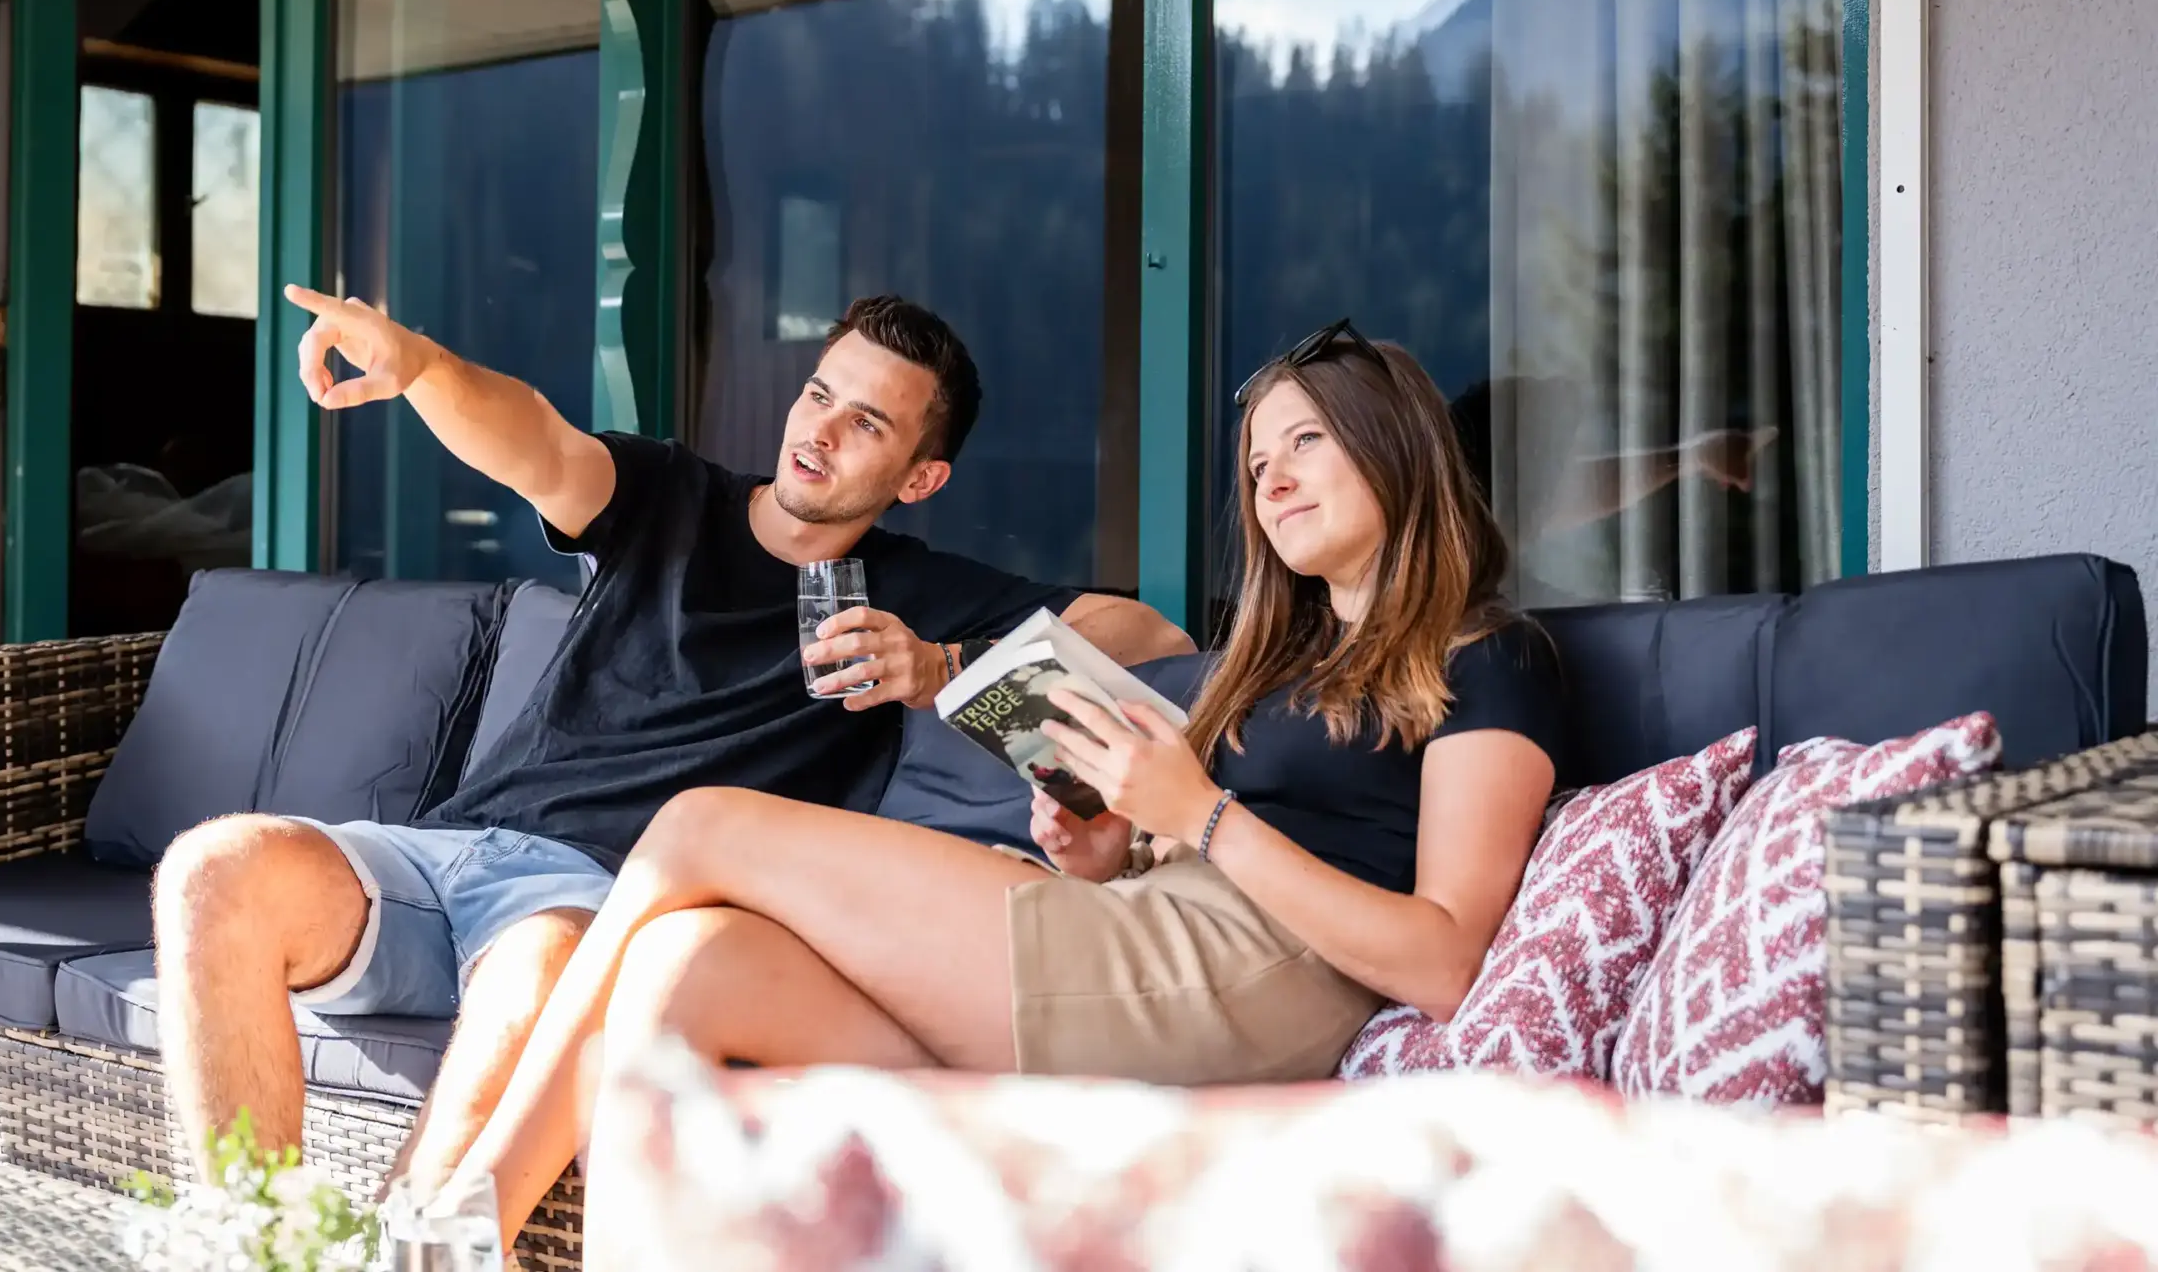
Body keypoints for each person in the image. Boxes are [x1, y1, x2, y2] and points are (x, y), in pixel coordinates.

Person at [433, 318, 1568, 1256]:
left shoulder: (1488, 657)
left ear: (1394, 448)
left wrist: (1201, 815)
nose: (1271, 477)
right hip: (1147, 930)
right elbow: (1180, 838)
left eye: (1304, 442)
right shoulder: (1281, 660)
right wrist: (1107, 844)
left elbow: (1442, 961)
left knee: (699, 826)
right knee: (692, 963)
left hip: (1242, 984)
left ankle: (463, 1216)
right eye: (1258, 460)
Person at [151, 287, 1192, 1198]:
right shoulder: (670, 498)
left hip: (605, 904)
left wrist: (940, 664)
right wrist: (423, 368)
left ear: (918, 478)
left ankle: (416, 1240)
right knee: (213, 870)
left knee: (540, 962)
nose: (821, 431)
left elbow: (1153, 636)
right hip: (444, 852)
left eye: (867, 422)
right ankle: (261, 1238)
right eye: (819, 394)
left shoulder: (912, 591)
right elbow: (536, 442)